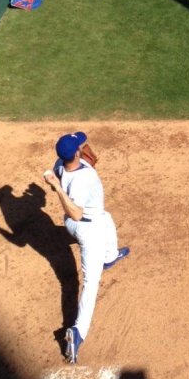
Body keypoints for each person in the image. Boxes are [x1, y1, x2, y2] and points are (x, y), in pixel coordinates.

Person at [42, 131, 130, 364]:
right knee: (90, 283)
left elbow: (75, 154)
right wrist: (58, 188)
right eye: (80, 146)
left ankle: (110, 256)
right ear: (77, 153)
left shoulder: (60, 165)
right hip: (84, 228)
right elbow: (77, 212)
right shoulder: (83, 179)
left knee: (106, 219)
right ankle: (77, 332)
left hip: (88, 221)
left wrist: (54, 181)